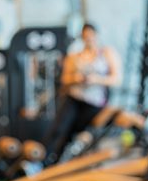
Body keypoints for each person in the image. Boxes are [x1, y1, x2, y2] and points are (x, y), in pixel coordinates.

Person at [44, 22, 121, 163]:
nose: (89, 39)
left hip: (95, 103)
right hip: (75, 98)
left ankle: (71, 162)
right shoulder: (74, 56)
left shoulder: (107, 53)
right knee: (61, 130)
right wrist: (76, 78)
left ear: (96, 36)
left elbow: (116, 79)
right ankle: (48, 162)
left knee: (83, 135)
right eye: (86, 36)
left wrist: (96, 79)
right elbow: (65, 79)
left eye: (91, 36)